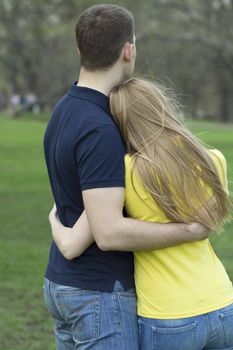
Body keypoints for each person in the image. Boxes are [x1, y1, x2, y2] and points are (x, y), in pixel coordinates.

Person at [43, 4, 210, 349]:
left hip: (64, 284)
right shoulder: (100, 127)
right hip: (99, 295)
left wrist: (64, 237)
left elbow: (83, 201)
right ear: (128, 51)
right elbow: (108, 232)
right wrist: (189, 230)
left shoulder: (64, 110)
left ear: (80, 49)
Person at [49, 78, 233, 350]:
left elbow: (74, 242)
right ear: (162, 109)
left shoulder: (126, 172)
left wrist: (53, 219)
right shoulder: (213, 160)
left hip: (168, 315)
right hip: (223, 305)